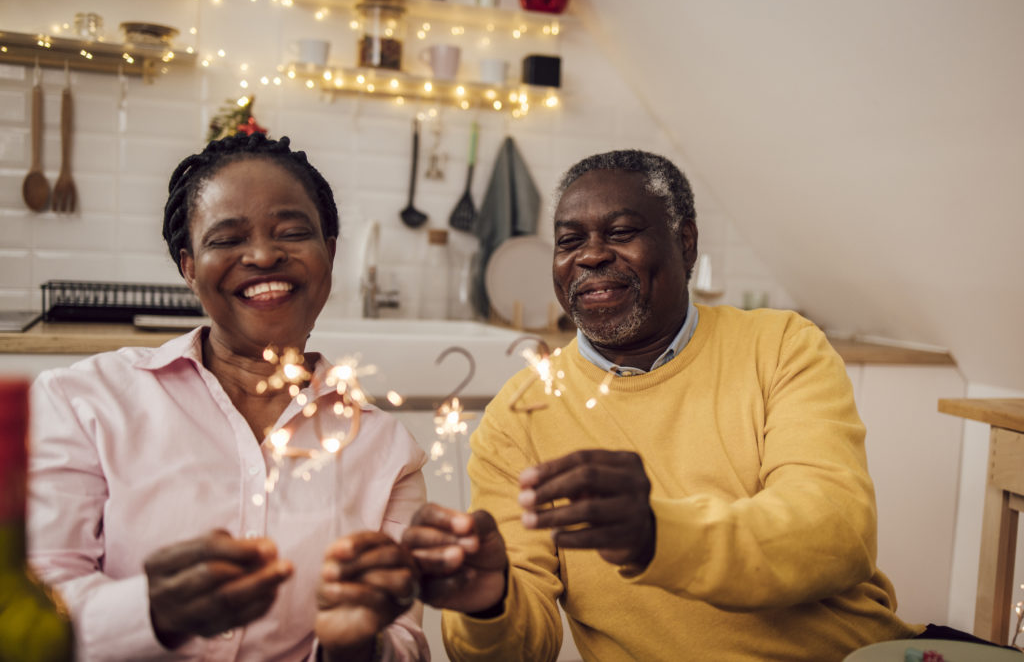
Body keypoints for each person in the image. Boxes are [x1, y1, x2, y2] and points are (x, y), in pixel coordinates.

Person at [402, 149, 922, 661]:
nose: (590, 255)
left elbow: (835, 533)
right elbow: (518, 647)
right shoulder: (518, 419)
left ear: (685, 243)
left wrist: (657, 535)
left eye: (621, 233)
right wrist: (489, 604)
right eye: (568, 241)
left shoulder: (782, 344)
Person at [27, 133, 429, 661]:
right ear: (188, 267)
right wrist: (153, 610)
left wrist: (355, 645)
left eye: (292, 232)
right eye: (225, 239)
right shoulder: (84, 402)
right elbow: (32, 610)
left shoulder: (386, 450)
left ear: (329, 253)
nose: (263, 255)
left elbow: (405, 643)